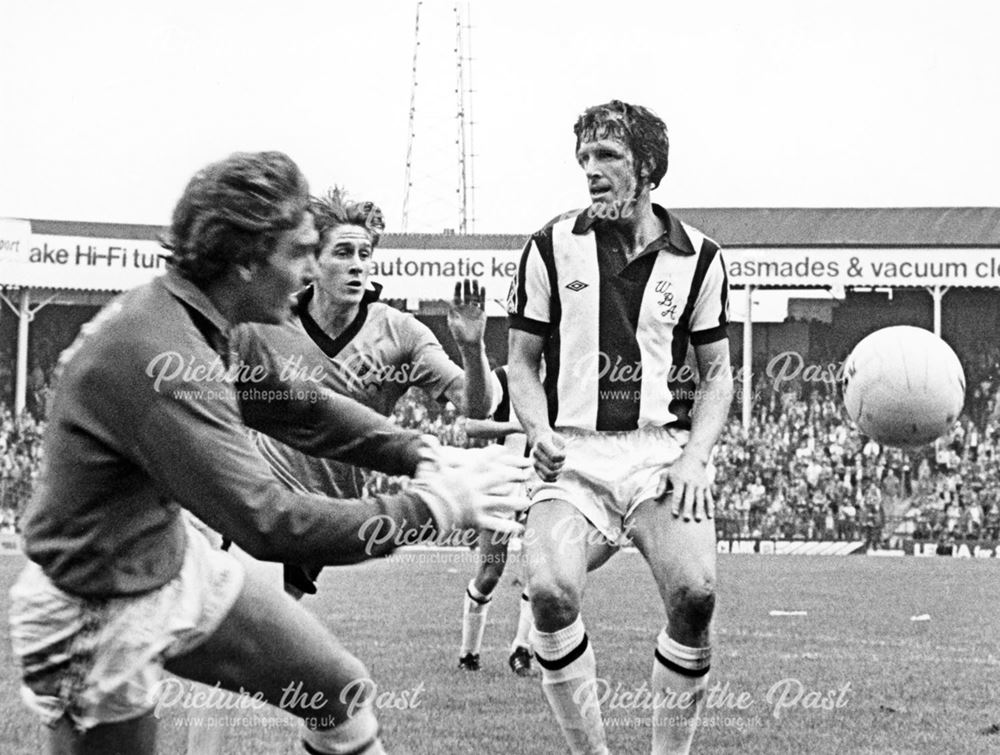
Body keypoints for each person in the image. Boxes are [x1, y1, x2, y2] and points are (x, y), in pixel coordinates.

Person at [8, 151, 529, 755]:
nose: (312, 272)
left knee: (339, 693)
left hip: (169, 564)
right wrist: (432, 508)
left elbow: (299, 408)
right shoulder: (162, 354)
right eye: (302, 252)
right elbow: (267, 522)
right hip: (93, 613)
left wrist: (422, 455)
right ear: (248, 261)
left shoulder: (210, 321)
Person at [507, 101, 733, 754]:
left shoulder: (700, 258)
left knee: (695, 595)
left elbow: (717, 375)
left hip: (660, 454)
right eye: (584, 157)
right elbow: (520, 363)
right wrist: (538, 429)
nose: (591, 170)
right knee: (549, 592)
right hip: (571, 456)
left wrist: (693, 460)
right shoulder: (551, 245)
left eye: (607, 156)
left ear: (649, 166)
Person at [239, 186, 499, 598]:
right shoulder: (269, 322)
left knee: (257, 637)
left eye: (364, 255)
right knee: (241, 623)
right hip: (258, 491)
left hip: (323, 514)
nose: (357, 266)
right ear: (313, 261)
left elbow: (475, 406)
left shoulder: (401, 334)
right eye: (343, 253)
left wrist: (471, 347)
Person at [457, 364, 537, 676]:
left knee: (538, 572)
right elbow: (471, 426)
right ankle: (469, 654)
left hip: (543, 481)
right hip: (502, 480)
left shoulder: (563, 375)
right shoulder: (505, 376)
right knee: (490, 572)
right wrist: (517, 427)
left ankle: (521, 649)